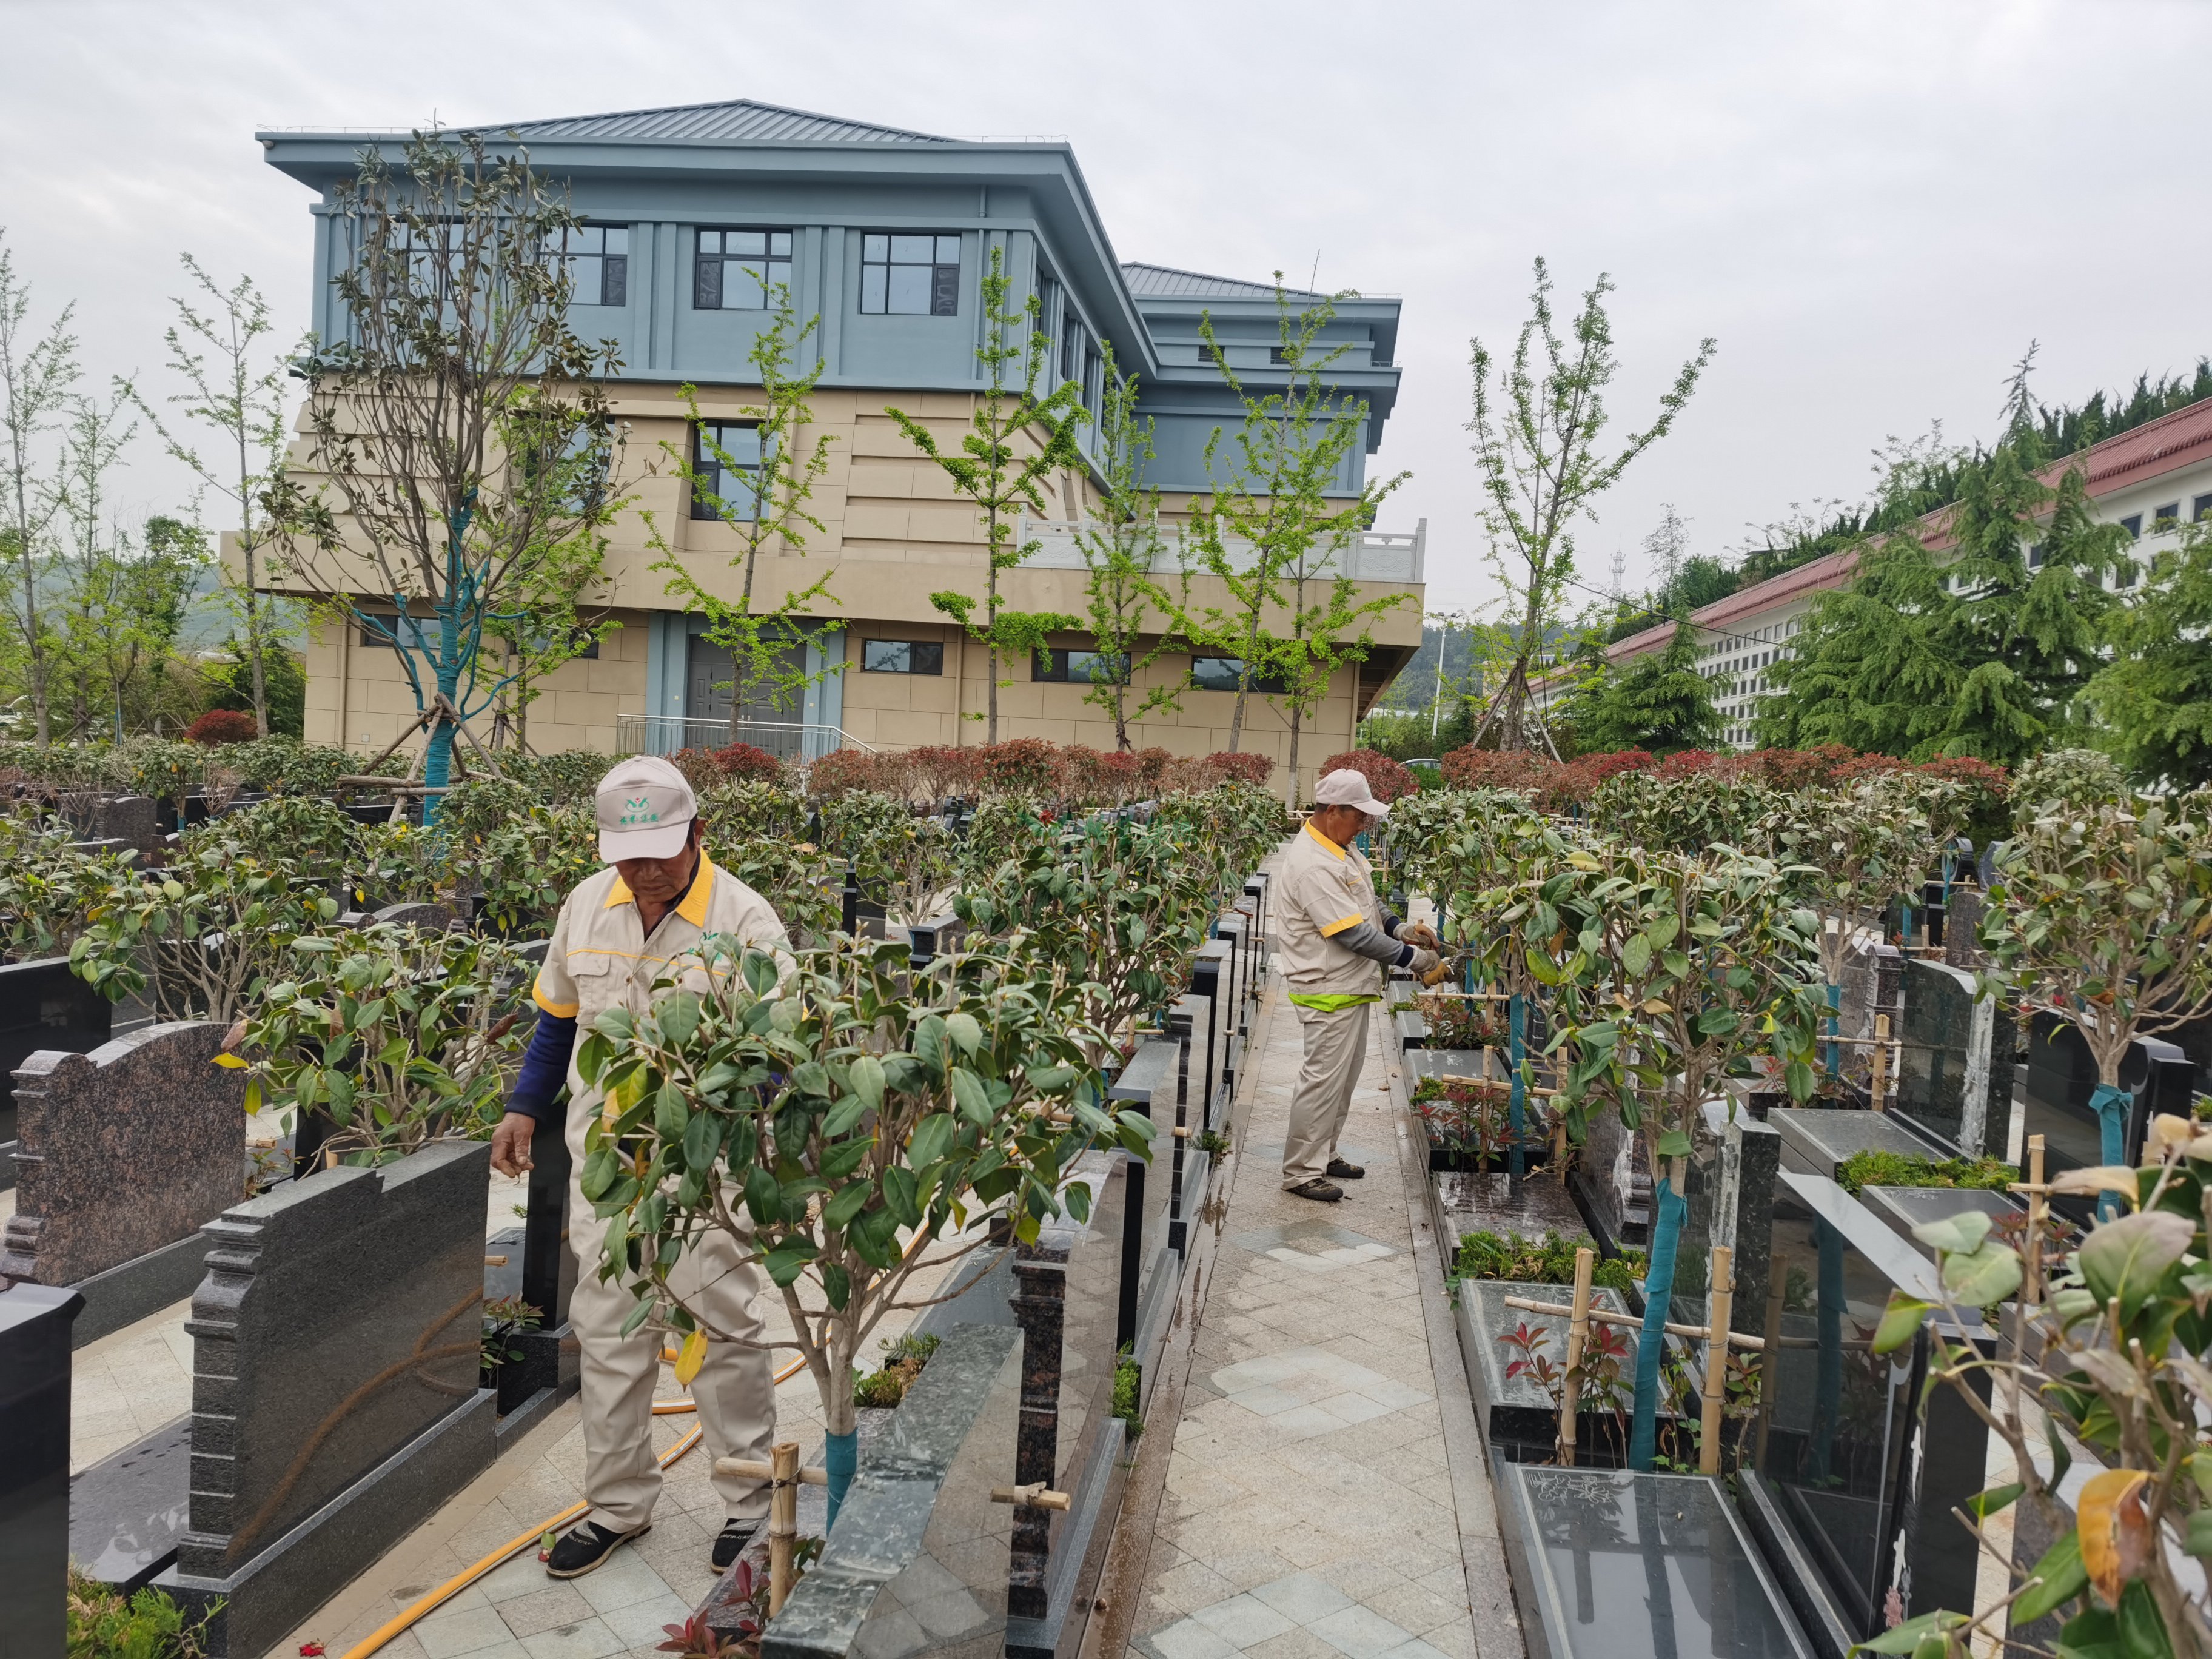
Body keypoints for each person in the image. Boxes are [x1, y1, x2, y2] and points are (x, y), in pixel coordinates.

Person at [489, 755, 789, 1580]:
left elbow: (778, 1055)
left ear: (698, 833)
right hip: (609, 1169)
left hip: (705, 1166)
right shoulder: (588, 904)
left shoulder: (746, 921)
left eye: (660, 847)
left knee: (720, 1327)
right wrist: (523, 1107)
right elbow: (558, 1022)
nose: (644, 867)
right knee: (612, 1331)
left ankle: (749, 1503)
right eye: (627, 851)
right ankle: (619, 1504)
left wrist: (725, 1128)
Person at [1276, 768, 1441, 1202]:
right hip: (1327, 986)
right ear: (1334, 812)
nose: (1365, 824)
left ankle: (1324, 1155)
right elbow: (1351, 934)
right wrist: (1416, 960)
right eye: (1360, 816)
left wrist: (1399, 927)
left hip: (1349, 985)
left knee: (1342, 1081)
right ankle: (1300, 1172)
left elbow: (1367, 902)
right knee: (1322, 1080)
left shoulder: (1338, 848)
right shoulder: (1312, 864)